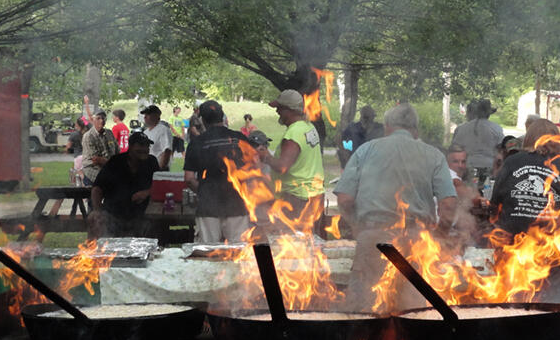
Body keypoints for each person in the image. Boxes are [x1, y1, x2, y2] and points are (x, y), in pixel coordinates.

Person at [334, 105, 457, 312]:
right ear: (415, 130)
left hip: (374, 237)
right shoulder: (433, 155)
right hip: (416, 241)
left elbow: (345, 198)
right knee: (413, 312)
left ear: (387, 127)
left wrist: (358, 227)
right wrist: (441, 235)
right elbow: (448, 204)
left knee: (364, 309)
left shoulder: (365, 150)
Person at [490, 119, 560, 303]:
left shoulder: (512, 162)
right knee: (552, 304)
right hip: (554, 252)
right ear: (557, 140)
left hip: (513, 249)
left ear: (528, 140)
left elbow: (495, 205)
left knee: (513, 302)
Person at [184, 100, 252, 243]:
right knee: (238, 254)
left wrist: (203, 191)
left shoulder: (197, 143)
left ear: (202, 120)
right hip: (237, 205)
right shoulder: (239, 138)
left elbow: (189, 178)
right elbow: (254, 170)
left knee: (208, 253)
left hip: (208, 207)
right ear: (222, 117)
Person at [258, 90, 325, 232]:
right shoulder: (308, 127)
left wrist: (266, 156)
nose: (277, 111)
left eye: (280, 108)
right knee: (307, 240)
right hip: (314, 194)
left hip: (297, 198)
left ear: (290, 110)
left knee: (292, 242)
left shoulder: (294, 133)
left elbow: (282, 166)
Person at [87, 132, 159, 239]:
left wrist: (147, 192)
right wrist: (97, 210)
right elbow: (97, 188)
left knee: (156, 224)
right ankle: (95, 253)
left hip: (141, 215)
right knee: (94, 218)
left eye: (147, 146)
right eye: (140, 145)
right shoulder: (115, 162)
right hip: (113, 214)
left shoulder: (152, 162)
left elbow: (160, 185)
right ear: (130, 147)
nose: (144, 149)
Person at [451, 99, 504, 187]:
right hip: (489, 166)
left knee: (468, 192)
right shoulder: (496, 128)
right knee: (486, 191)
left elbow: (454, 149)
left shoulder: (461, 128)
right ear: (488, 114)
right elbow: (501, 151)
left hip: (467, 167)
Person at [81, 110, 119, 186]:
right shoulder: (88, 136)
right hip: (94, 172)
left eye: (103, 118)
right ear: (93, 120)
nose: (101, 121)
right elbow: (96, 160)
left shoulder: (109, 133)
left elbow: (117, 152)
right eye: (98, 118)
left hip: (109, 170)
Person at [142, 105, 173, 171]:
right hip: (147, 168)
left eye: (148, 114)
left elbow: (167, 150)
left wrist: (161, 168)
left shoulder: (163, 130)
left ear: (156, 116)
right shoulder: (145, 132)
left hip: (158, 168)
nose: (145, 117)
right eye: (145, 115)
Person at [65, 118, 88, 184]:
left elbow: (68, 147)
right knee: (87, 175)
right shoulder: (88, 133)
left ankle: (83, 189)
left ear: (77, 125)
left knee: (81, 175)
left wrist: (66, 151)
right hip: (87, 156)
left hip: (78, 157)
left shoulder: (74, 134)